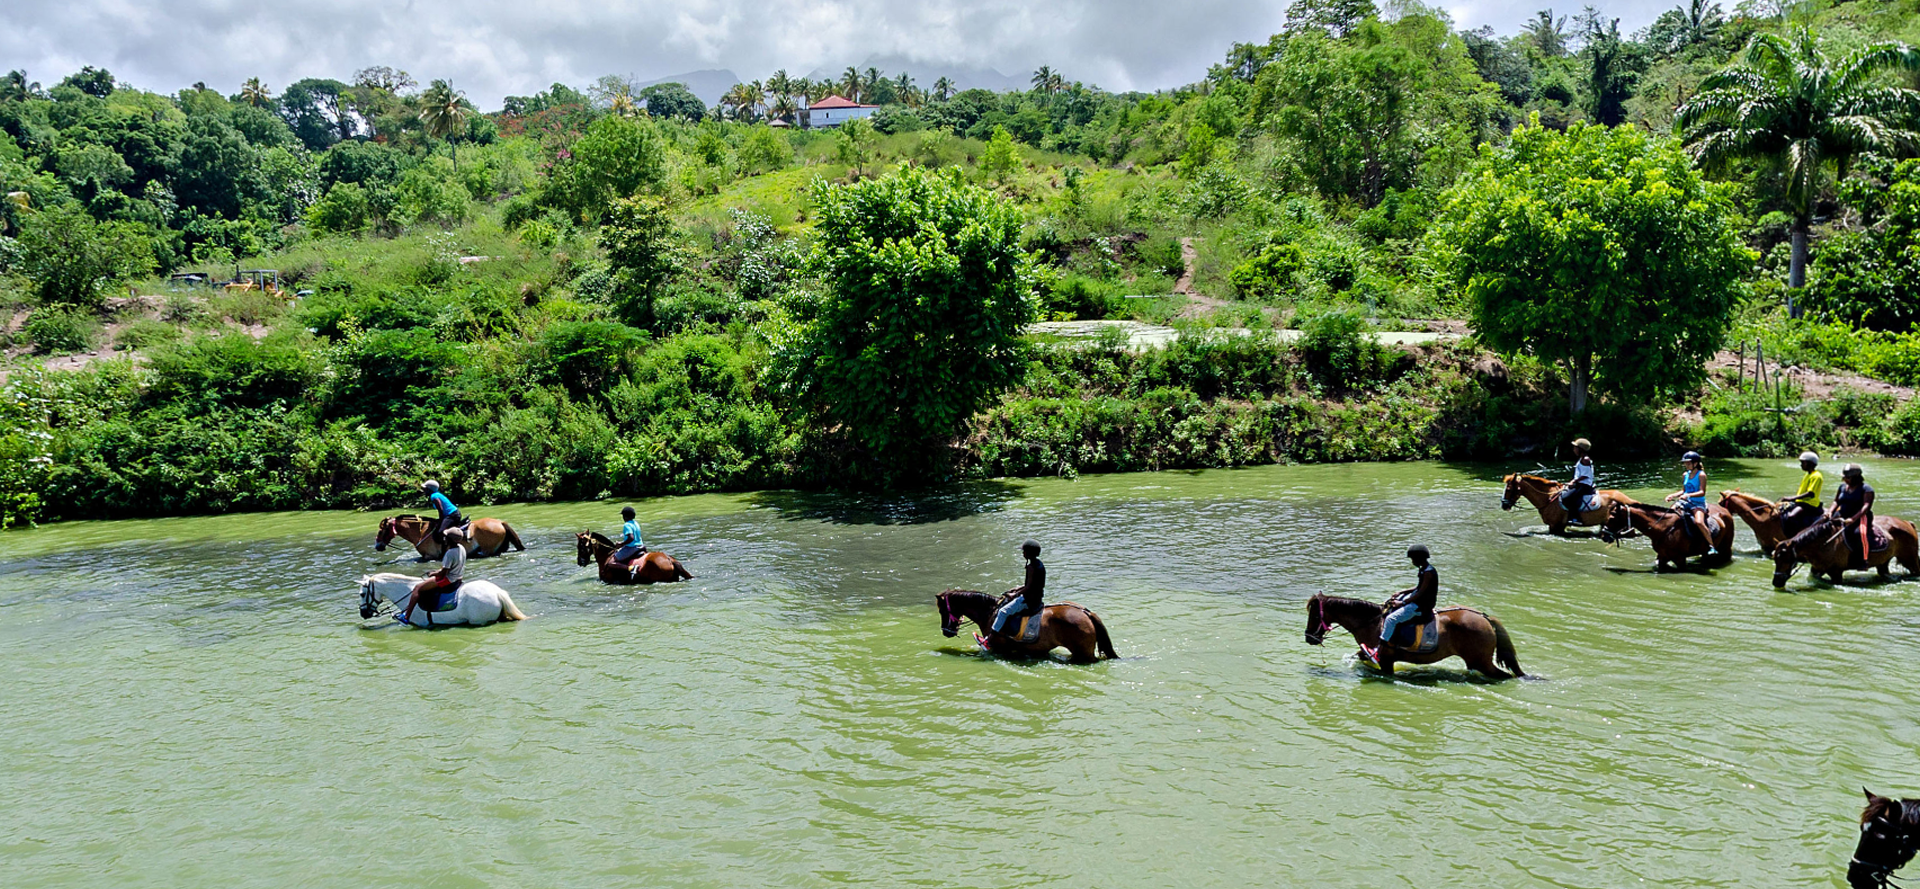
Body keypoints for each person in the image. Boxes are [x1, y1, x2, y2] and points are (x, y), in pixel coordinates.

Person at [1362, 545, 1438, 663]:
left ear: (1419, 558)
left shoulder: (1428, 573)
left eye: (1413, 559)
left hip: (1421, 605)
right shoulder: (1424, 569)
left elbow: (1420, 593)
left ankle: (1379, 652)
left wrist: (1402, 602)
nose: (1412, 561)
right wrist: (1401, 592)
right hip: (1420, 600)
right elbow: (1418, 587)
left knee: (1391, 619)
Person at [402, 525, 468, 626]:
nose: (444, 538)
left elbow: (443, 574)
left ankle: (406, 617)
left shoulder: (450, 553)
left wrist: (433, 573)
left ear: (449, 540)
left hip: (448, 579)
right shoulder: (461, 548)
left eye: (446, 537)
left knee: (418, 588)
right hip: (458, 577)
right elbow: (451, 567)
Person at [986, 541, 1046, 646]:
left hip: (1028, 600)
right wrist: (1016, 589)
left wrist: (1015, 594)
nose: (1023, 554)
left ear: (1029, 553)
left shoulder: (1031, 567)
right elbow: (1032, 585)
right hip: (1037, 597)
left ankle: (989, 640)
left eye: (1024, 552)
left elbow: (1028, 587)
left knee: (1003, 612)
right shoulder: (1039, 564)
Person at [1665, 451, 1718, 557]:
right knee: (1670, 515)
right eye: (1685, 463)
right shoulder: (1685, 474)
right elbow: (1683, 490)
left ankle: (1711, 546)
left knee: (1699, 522)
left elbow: (1702, 492)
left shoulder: (1701, 475)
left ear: (1695, 463)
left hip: (1697, 503)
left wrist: (1688, 495)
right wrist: (1672, 495)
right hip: (1685, 501)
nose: (1686, 465)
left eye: (1688, 463)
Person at [1830, 463, 1876, 562]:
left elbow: (1866, 507)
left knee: (1859, 534)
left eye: (1848, 478)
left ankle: (1863, 559)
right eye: (1844, 478)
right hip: (1843, 514)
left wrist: (1853, 519)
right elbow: (1836, 501)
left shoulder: (1866, 489)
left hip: (1860, 517)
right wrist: (1830, 512)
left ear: (1856, 477)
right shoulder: (1842, 487)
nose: (1845, 480)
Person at [421, 480, 465, 550]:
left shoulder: (434, 496)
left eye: (425, 489)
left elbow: (441, 510)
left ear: (429, 489)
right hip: (453, 513)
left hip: (452, 515)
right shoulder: (437, 494)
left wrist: (440, 522)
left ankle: (446, 549)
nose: (424, 491)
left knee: (440, 532)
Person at [1561, 438, 1597, 519]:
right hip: (1580, 483)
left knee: (1568, 498)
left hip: (1585, 484)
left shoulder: (1585, 459)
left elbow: (1585, 475)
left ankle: (1575, 517)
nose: (1574, 449)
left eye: (1575, 448)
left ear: (1580, 449)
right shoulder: (1582, 458)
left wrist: (1573, 481)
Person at [611, 506, 645, 573]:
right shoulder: (635, 523)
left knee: (611, 562)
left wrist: (621, 544)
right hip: (641, 546)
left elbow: (631, 538)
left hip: (631, 548)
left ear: (625, 516)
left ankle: (630, 568)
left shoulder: (627, 525)